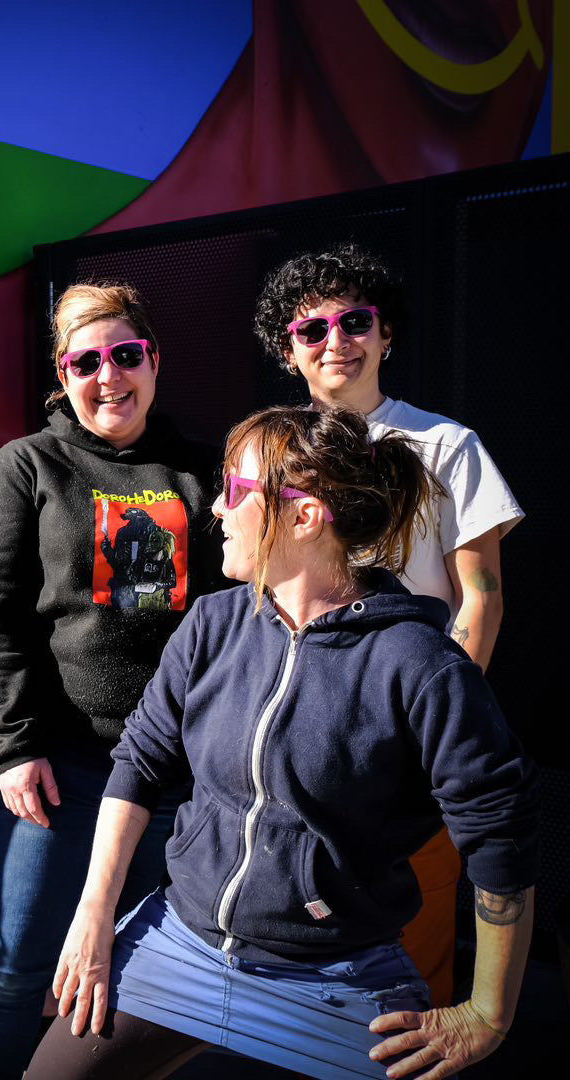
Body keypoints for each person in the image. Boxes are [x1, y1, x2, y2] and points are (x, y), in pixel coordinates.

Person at [28, 404, 537, 1080]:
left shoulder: (421, 666)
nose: (216, 507)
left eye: (236, 490)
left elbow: (500, 840)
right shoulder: (211, 625)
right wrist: (93, 917)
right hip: (177, 943)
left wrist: (489, 1015)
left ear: (304, 516)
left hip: (336, 977)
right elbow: (139, 764)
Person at [0, 283, 224, 1079]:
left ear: (154, 361)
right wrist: (13, 748)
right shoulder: (27, 465)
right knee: (15, 969)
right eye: (85, 362)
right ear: (63, 376)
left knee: (132, 971)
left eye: (125, 355)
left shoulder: (201, 471)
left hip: (169, 777)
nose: (108, 376)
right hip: (56, 770)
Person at [252, 243, 524, 1007]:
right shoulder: (274, 453)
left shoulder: (447, 446)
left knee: (413, 955)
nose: (335, 341)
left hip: (410, 744)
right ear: (287, 350)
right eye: (311, 329)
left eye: (354, 321)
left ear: (385, 333)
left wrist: (436, 731)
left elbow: (481, 599)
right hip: (299, 740)